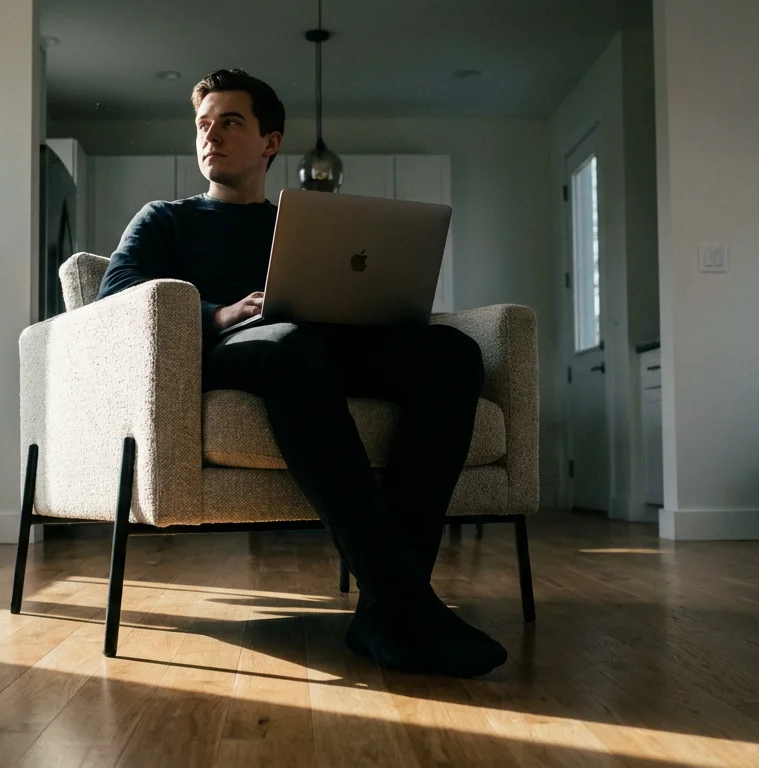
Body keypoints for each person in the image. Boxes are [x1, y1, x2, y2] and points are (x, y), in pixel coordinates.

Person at [96, 69, 506, 677]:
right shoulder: (165, 219)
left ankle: (386, 609)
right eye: (204, 124)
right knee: (289, 344)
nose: (212, 135)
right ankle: (406, 606)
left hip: (316, 346)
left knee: (451, 355)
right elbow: (116, 293)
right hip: (233, 353)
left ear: (270, 142)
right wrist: (220, 312)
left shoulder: (309, 223)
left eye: (231, 121)